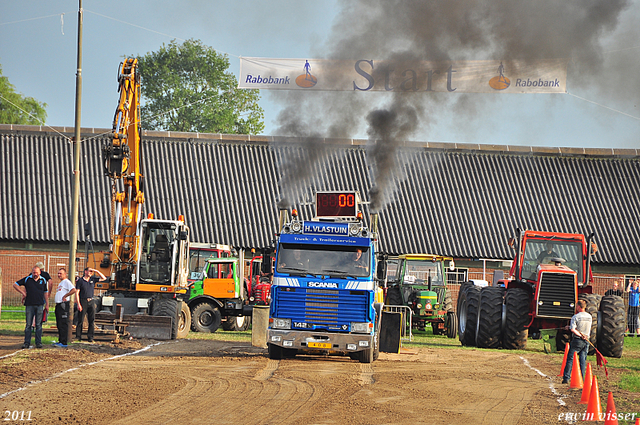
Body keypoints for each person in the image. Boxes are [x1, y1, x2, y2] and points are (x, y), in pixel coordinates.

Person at [12, 266, 49, 349]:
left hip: (39, 305)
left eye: (36, 272)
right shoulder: (27, 279)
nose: (35, 274)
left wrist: (47, 304)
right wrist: (23, 293)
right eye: (33, 272)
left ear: (40, 272)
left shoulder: (43, 280)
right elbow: (15, 284)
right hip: (29, 305)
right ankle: (26, 342)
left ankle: (38, 342)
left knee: (39, 325)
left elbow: (45, 293)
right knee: (28, 324)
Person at [562, 299, 592, 384]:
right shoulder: (589, 316)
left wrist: (579, 334)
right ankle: (581, 379)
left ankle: (566, 378)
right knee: (582, 360)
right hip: (587, 339)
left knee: (570, 358)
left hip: (578, 340)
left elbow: (573, 329)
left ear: (578, 307)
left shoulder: (576, 317)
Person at [75, 267, 106, 342]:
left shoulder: (93, 279)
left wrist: (97, 271)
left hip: (91, 301)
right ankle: (78, 337)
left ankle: (90, 337)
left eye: (92, 271)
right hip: (83, 301)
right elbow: (77, 292)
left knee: (91, 320)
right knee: (80, 320)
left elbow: (104, 278)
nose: (91, 273)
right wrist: (78, 304)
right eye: (90, 271)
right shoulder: (80, 281)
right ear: (85, 271)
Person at [53, 268, 76, 347]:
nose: (59, 275)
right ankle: (60, 340)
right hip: (58, 305)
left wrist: (65, 296)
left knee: (63, 323)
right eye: (58, 273)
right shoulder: (61, 283)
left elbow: (73, 290)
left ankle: (64, 342)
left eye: (61, 273)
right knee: (59, 323)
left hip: (63, 305)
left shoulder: (66, 282)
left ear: (65, 274)